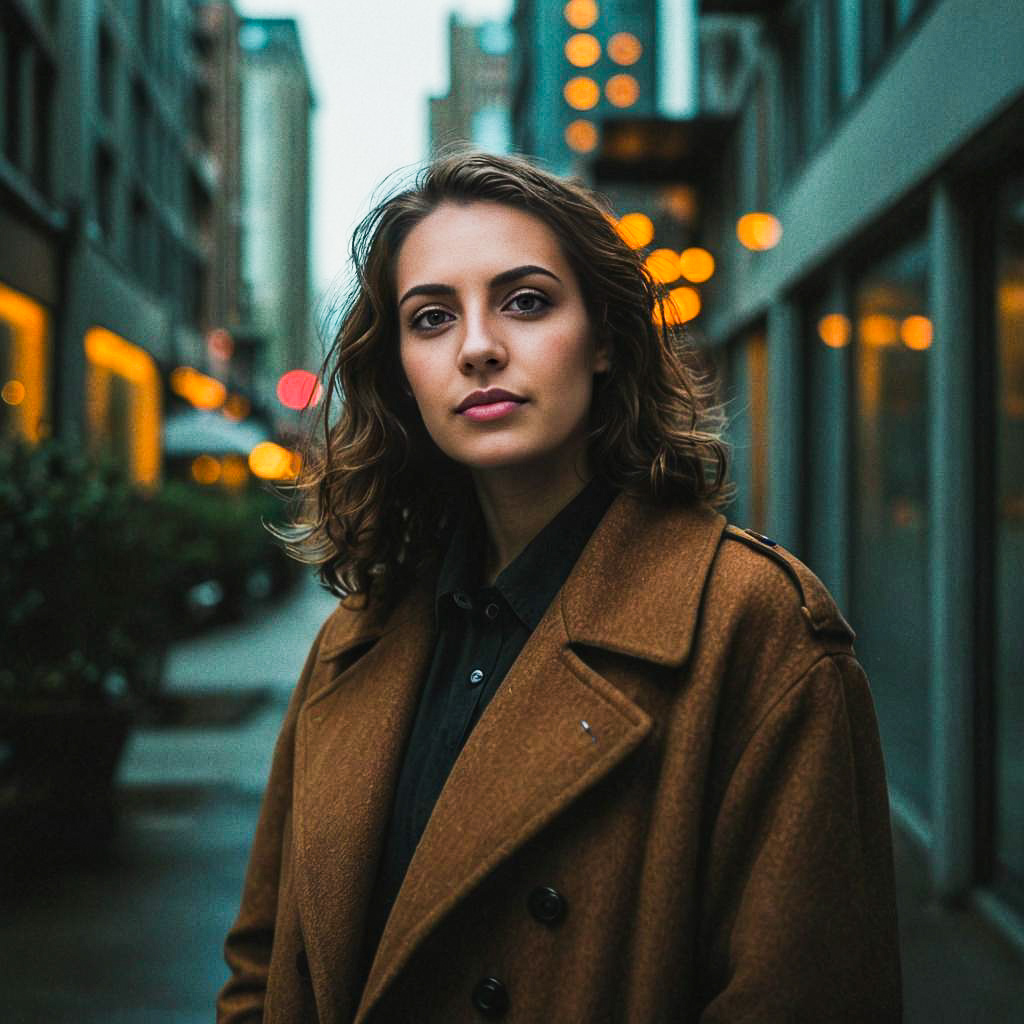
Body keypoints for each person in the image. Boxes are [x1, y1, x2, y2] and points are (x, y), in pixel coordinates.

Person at [217, 151, 902, 1023]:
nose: (478, 348)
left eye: (527, 301)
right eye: (431, 318)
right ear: (400, 370)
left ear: (607, 339)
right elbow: (264, 964)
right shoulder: (358, 635)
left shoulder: (755, 626)